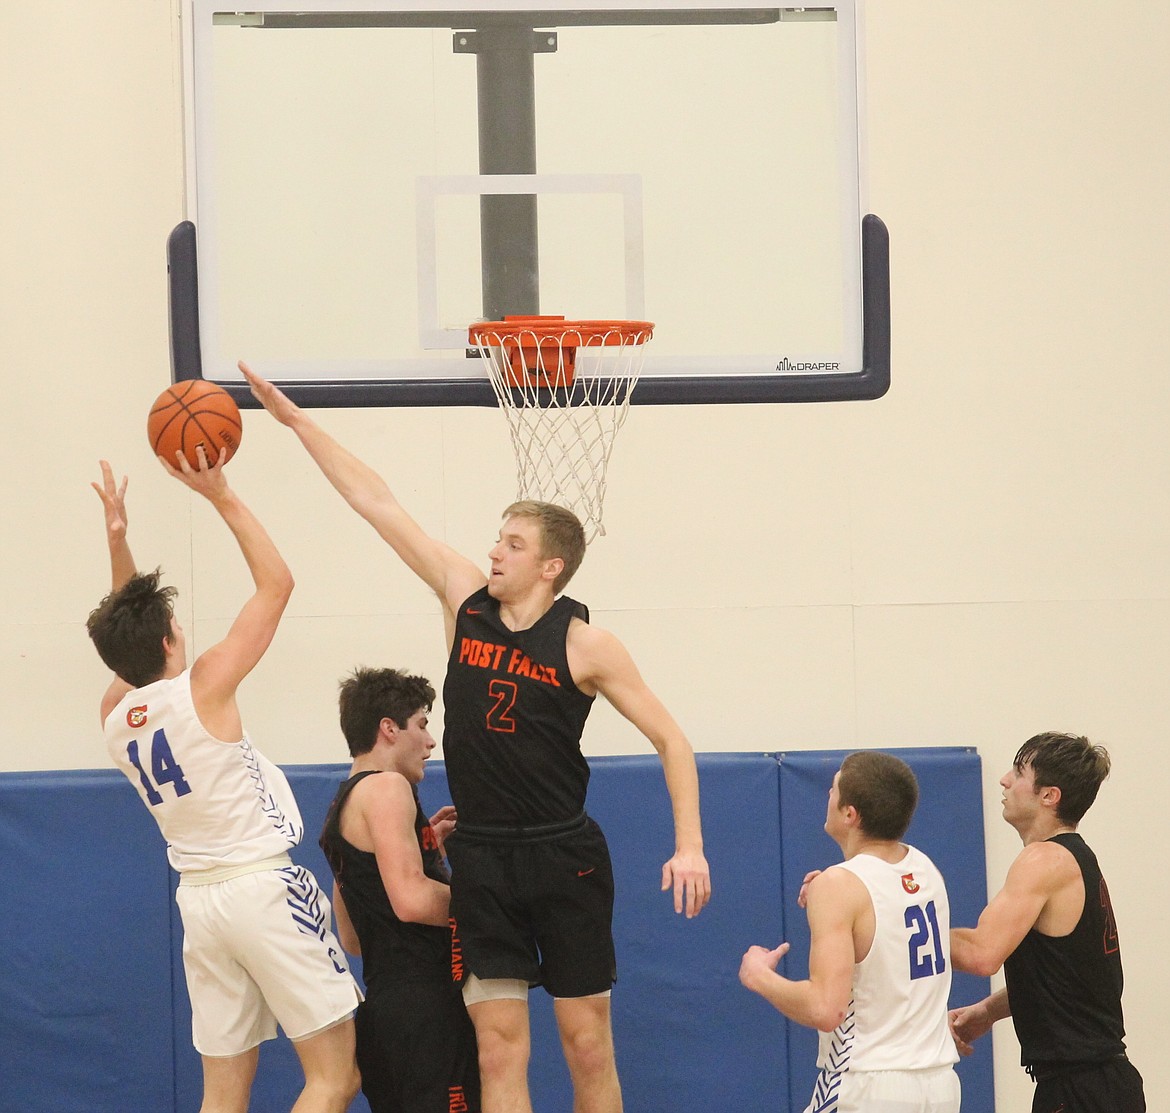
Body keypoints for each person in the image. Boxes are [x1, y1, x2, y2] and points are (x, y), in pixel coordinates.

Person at [241, 360, 711, 1113]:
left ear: (551, 565)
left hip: (564, 854)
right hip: (485, 858)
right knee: (499, 1048)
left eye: (514, 543)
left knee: (587, 1043)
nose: (495, 551)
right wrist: (298, 423)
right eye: (497, 538)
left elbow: (673, 740)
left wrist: (688, 843)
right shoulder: (466, 604)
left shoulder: (586, 643)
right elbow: (379, 504)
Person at [86, 453, 362, 1113]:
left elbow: (128, 644)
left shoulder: (114, 716)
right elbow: (277, 583)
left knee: (222, 1094)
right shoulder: (204, 682)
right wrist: (220, 492)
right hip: (262, 887)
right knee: (335, 1076)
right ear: (172, 639)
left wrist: (119, 543)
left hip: (200, 904)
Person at [739, 750, 960, 1113]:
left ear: (849, 814)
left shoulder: (840, 886)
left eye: (833, 789)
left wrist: (759, 976)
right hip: (939, 1084)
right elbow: (882, 919)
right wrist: (831, 888)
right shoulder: (923, 867)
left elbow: (826, 1010)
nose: (827, 795)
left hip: (869, 1079)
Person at [948, 731, 1145, 1112]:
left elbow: (981, 954)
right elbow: (1067, 977)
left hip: (1081, 1089)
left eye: (1018, 772)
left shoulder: (1043, 861)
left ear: (1049, 795)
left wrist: (894, 921)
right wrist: (988, 1011)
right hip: (1095, 1085)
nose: (1005, 780)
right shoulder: (1075, 857)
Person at [318, 666, 481, 1113]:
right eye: (423, 725)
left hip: (385, 1015)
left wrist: (417, 849)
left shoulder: (340, 807)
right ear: (388, 729)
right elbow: (410, 901)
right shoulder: (389, 787)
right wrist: (489, 900)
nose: (430, 742)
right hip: (427, 1012)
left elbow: (351, 938)